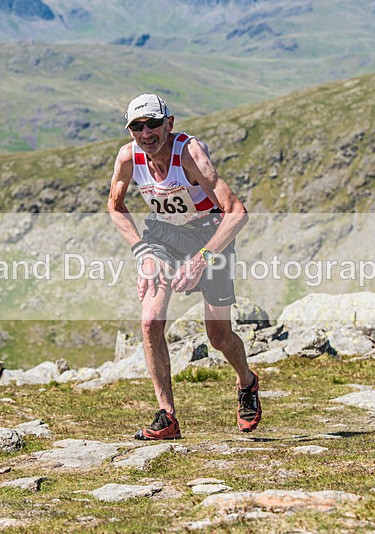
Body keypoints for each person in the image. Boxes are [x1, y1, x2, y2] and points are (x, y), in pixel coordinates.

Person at [107, 93, 261, 439]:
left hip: (210, 234)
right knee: (150, 322)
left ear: (169, 124)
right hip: (163, 235)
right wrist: (142, 251)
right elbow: (115, 206)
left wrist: (203, 258)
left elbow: (237, 212)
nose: (146, 134)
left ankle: (247, 382)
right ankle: (167, 416)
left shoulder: (189, 154)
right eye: (137, 127)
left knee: (219, 336)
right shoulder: (128, 157)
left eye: (153, 125)